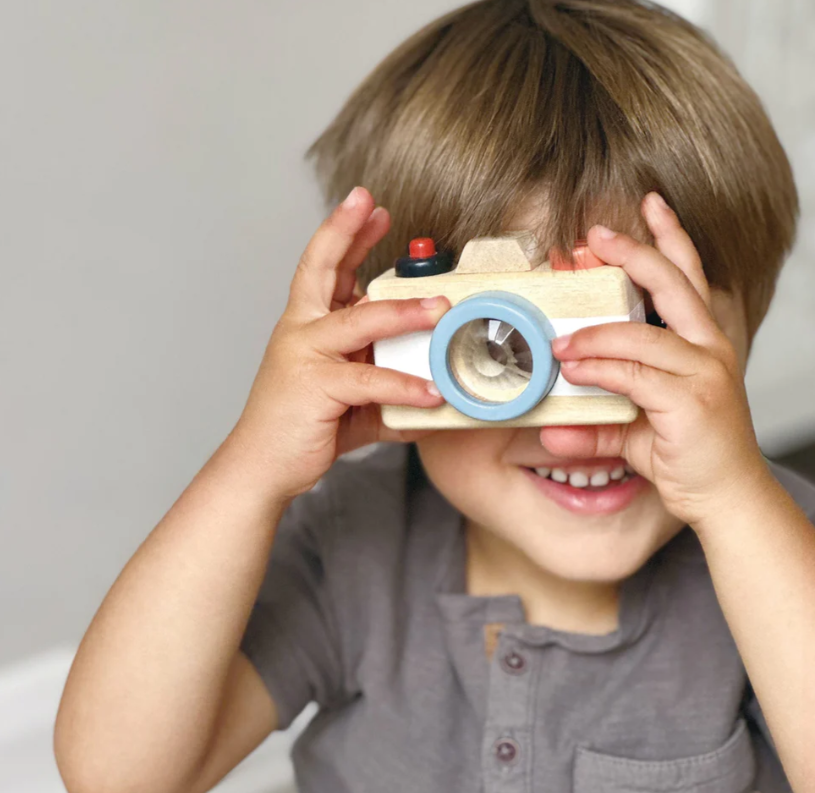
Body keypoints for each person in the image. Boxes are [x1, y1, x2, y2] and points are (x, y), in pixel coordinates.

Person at [54, 1, 815, 792]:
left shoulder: (773, 544)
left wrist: (733, 502)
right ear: (386, 332)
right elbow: (117, 774)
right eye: (503, 346)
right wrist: (253, 467)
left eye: (648, 327)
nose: (583, 422)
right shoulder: (357, 542)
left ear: (746, 325)